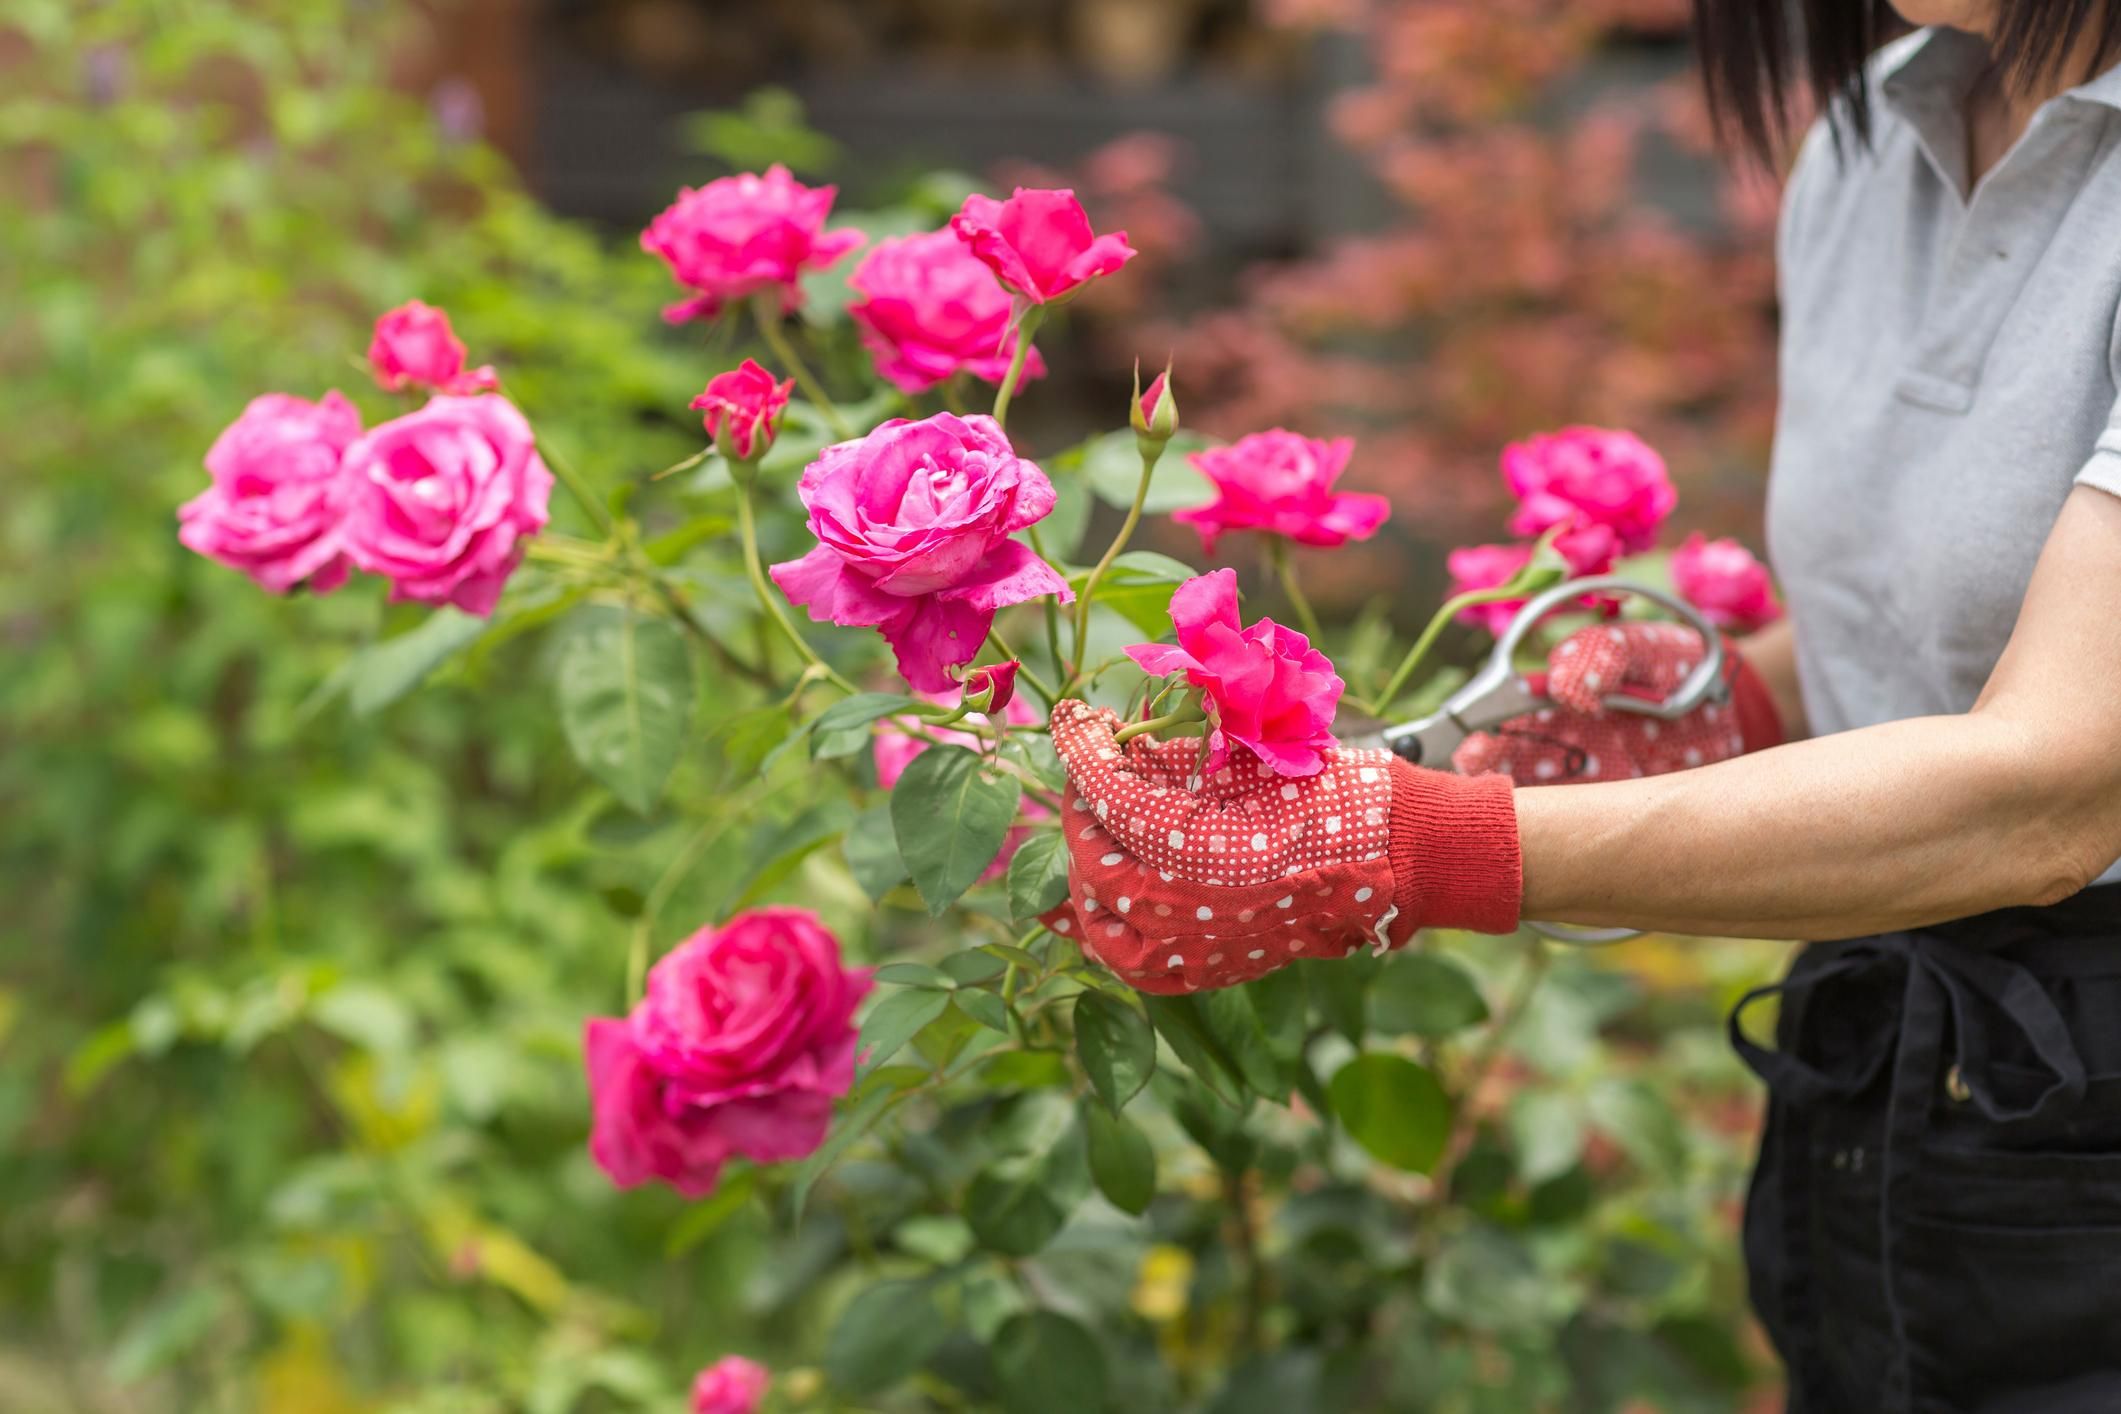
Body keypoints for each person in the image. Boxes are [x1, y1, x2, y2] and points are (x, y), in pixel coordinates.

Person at [1044, 2, 2121, 1409]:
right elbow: (1932, 622)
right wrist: (1698, 697)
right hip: (1888, 1068)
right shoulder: (1872, 140)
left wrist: (1411, 844)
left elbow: (2053, 785)